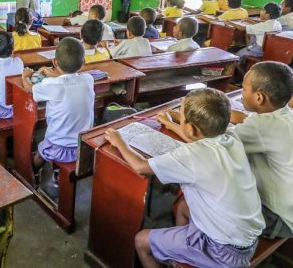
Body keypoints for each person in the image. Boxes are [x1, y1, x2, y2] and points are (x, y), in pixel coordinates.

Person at [106, 88, 265, 268]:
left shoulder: (192, 155)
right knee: (182, 207)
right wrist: (170, 122)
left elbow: (141, 167)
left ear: (190, 127)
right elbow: (200, 140)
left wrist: (119, 141)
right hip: (247, 239)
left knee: (141, 240)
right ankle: (178, 254)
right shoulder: (231, 138)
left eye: (181, 119)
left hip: (221, 251)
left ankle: (182, 251)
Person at [231, 62, 293, 239]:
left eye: (243, 89)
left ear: (259, 97)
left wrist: (174, 123)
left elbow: (217, 143)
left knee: (208, 197)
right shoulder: (287, 115)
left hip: (280, 218)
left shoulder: (260, 125)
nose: (241, 95)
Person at [21, 37, 94, 172]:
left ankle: (31, 174)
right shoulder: (88, 80)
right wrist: (56, 75)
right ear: (83, 63)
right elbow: (68, 81)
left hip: (59, 146)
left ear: (54, 62)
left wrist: (26, 76)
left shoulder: (50, 84)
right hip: (84, 145)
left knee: (40, 152)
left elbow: (29, 89)